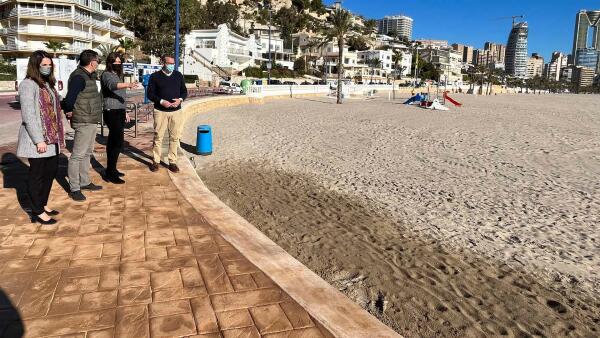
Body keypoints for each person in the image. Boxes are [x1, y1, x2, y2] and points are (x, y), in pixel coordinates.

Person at [17, 50, 65, 225]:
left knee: (50, 172)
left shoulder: (47, 84)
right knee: (37, 175)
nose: (47, 67)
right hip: (37, 139)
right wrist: (39, 140)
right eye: (43, 65)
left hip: (51, 138)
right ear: (35, 66)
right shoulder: (28, 85)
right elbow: (29, 115)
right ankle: (36, 211)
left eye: (49, 64)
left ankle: (42, 204)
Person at [62, 49, 103, 201]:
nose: (98, 63)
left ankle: (84, 182)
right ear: (92, 62)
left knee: (87, 153)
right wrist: (68, 111)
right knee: (77, 155)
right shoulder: (79, 77)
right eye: (97, 61)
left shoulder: (88, 75)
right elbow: (69, 99)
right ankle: (74, 188)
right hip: (83, 120)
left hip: (91, 119)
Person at [100, 52, 138, 184]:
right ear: (110, 63)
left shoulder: (118, 75)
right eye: (115, 62)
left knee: (117, 142)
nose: (117, 64)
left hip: (119, 110)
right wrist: (128, 85)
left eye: (119, 63)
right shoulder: (106, 75)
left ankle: (112, 169)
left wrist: (125, 111)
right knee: (115, 141)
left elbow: (121, 95)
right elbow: (112, 86)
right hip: (111, 111)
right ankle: (110, 172)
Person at [147, 55, 188, 173]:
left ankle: (172, 162)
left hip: (176, 112)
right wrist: (161, 101)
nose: (171, 66)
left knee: (175, 137)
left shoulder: (178, 75)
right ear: (163, 63)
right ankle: (156, 161)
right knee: (158, 137)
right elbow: (150, 94)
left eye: (173, 63)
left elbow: (184, 91)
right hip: (160, 112)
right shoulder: (155, 77)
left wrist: (180, 99)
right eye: (169, 63)